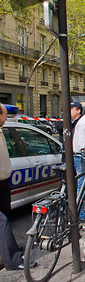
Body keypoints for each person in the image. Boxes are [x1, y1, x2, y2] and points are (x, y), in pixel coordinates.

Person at [0, 103, 24, 270]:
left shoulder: (1, 130)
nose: (6, 118)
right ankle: (13, 260)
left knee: (5, 217)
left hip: (4, 181)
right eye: (5, 114)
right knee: (2, 223)